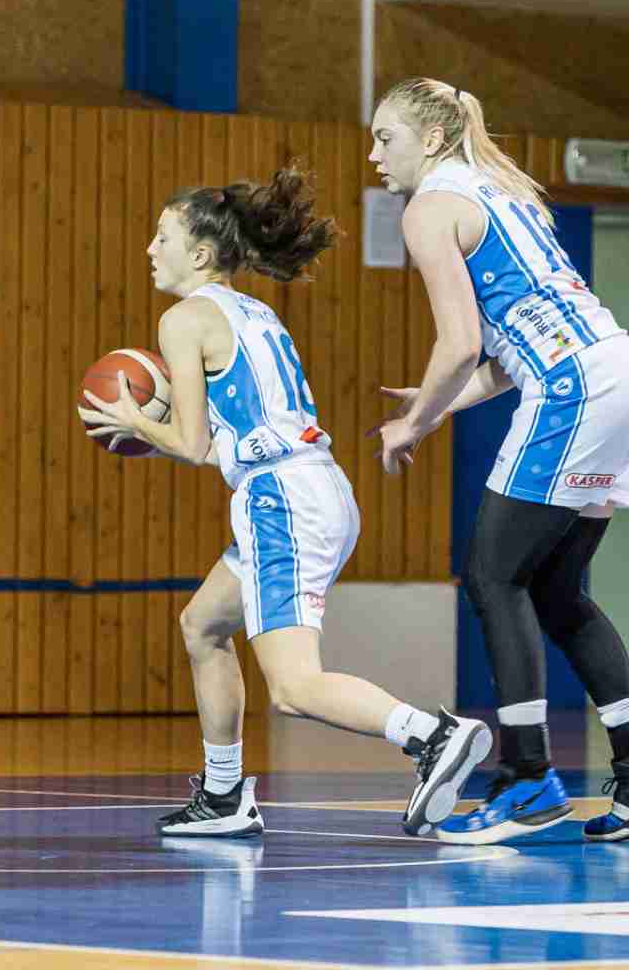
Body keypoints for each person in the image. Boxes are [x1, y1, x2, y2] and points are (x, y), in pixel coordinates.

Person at [78, 163, 490, 842]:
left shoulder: (183, 319)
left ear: (201, 254)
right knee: (202, 625)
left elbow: (188, 443)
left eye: (162, 237)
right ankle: (223, 795)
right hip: (309, 484)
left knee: (295, 687)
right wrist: (156, 434)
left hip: (281, 500)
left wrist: (133, 422)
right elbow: (222, 440)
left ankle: (430, 736)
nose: (150, 248)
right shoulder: (253, 312)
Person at [370, 77, 629, 845]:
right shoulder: (496, 190)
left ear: (432, 139)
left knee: (491, 576)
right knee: (554, 589)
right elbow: (511, 352)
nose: (375, 154)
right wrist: (438, 403)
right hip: (621, 373)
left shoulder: (429, 208)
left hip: (578, 387)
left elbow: (460, 344)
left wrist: (414, 422)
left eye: (386, 137)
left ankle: (527, 778)